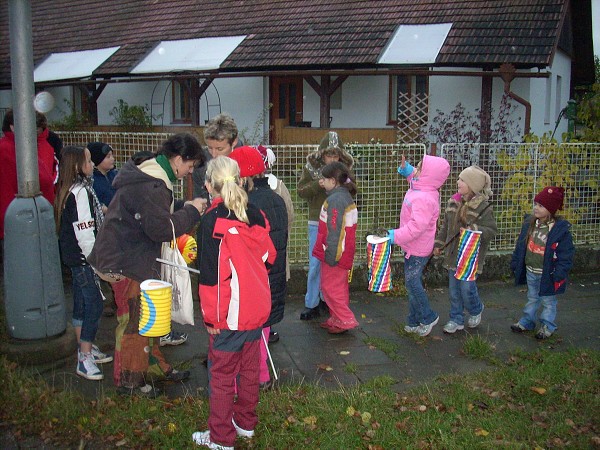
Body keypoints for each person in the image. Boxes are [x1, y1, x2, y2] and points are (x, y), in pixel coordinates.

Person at [88, 133, 207, 397]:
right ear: (178, 159)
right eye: (190, 166)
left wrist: (180, 205)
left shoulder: (151, 176)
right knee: (134, 323)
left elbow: (152, 212)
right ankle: (130, 382)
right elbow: (160, 228)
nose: (190, 173)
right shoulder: (152, 184)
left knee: (150, 317)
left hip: (127, 256)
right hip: (125, 263)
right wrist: (191, 212)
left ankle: (151, 367)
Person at [193, 156, 275, 450]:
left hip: (229, 315)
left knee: (223, 377)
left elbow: (212, 278)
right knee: (250, 371)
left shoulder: (212, 222)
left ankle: (221, 438)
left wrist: (213, 319)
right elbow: (270, 257)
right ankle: (245, 424)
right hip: (257, 309)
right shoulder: (256, 214)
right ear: (240, 180)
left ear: (207, 186)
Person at [229, 145, 288, 389]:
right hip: (273, 275)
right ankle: (262, 375)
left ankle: (255, 377)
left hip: (253, 278)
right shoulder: (276, 199)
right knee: (263, 329)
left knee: (250, 333)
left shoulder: (246, 205)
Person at [54, 146, 113, 380]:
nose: (91, 165)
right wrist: (97, 262)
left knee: (81, 303)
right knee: (95, 304)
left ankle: (84, 347)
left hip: (75, 257)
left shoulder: (70, 189)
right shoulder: (80, 193)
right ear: (79, 166)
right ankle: (85, 357)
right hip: (84, 258)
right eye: (88, 161)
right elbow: (85, 233)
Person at [388, 154, 450, 337]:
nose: (416, 170)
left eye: (420, 168)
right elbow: (415, 177)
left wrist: (394, 236)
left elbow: (417, 227)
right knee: (411, 284)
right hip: (412, 247)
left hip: (417, 249)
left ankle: (428, 316)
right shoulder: (423, 187)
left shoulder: (424, 199)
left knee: (413, 283)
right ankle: (414, 320)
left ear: (428, 176)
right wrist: (407, 170)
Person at [297, 131, 354, 320]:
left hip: (338, 223)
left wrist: (340, 183)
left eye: (335, 155)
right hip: (316, 221)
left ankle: (328, 301)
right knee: (315, 264)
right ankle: (312, 303)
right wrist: (317, 185)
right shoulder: (312, 169)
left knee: (333, 263)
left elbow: (355, 190)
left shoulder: (342, 170)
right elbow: (300, 191)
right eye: (328, 154)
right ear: (322, 154)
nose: (332, 159)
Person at [433, 166, 498, 334]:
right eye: (459, 179)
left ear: (473, 185)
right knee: (454, 291)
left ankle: (476, 308)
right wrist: (439, 244)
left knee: (467, 289)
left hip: (470, 258)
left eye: (462, 180)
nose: (458, 182)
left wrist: (474, 229)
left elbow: (491, 230)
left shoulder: (483, 207)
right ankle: (456, 319)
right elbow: (445, 227)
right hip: (452, 257)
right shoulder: (453, 202)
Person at [510, 186, 574, 339]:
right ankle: (528, 321)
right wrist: (516, 262)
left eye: (540, 205)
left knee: (548, 301)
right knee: (532, 298)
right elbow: (520, 246)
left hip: (548, 274)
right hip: (532, 270)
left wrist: (559, 272)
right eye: (536, 204)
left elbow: (566, 255)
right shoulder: (530, 225)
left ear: (550, 209)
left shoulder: (559, 232)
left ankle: (547, 325)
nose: (536, 208)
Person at [312, 161, 359, 334]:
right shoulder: (342, 197)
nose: (322, 182)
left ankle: (345, 319)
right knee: (336, 287)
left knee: (331, 288)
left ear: (333, 180)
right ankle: (336, 318)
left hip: (335, 254)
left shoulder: (336, 200)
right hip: (338, 252)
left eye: (324, 179)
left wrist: (331, 255)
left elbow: (335, 231)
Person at [256, 144, 295, 344]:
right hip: (276, 248)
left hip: (258, 251)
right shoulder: (279, 186)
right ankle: (268, 328)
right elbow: (290, 215)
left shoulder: (249, 191)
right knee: (273, 289)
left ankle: (261, 328)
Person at [0, 109, 58, 241]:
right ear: (13, 127)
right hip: (22, 222)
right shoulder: (15, 150)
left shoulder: (13, 147)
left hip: (16, 219)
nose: (35, 132)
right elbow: (44, 180)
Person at [192, 113, 241, 201]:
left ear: (234, 142)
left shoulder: (246, 162)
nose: (214, 154)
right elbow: (199, 199)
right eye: (210, 148)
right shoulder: (200, 164)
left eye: (219, 149)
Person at [88, 141, 118, 213]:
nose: (112, 159)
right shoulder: (92, 180)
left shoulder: (115, 175)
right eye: (108, 157)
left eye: (112, 156)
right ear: (97, 160)